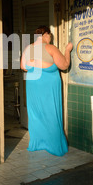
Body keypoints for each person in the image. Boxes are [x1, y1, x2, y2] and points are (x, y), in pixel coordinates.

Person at [20, 25, 73, 156]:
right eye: (50, 36)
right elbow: (64, 65)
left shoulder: (28, 48)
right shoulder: (50, 48)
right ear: (45, 34)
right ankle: (54, 145)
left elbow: (23, 67)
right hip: (48, 89)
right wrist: (67, 50)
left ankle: (37, 143)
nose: (50, 39)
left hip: (33, 88)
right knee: (51, 114)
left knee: (35, 115)